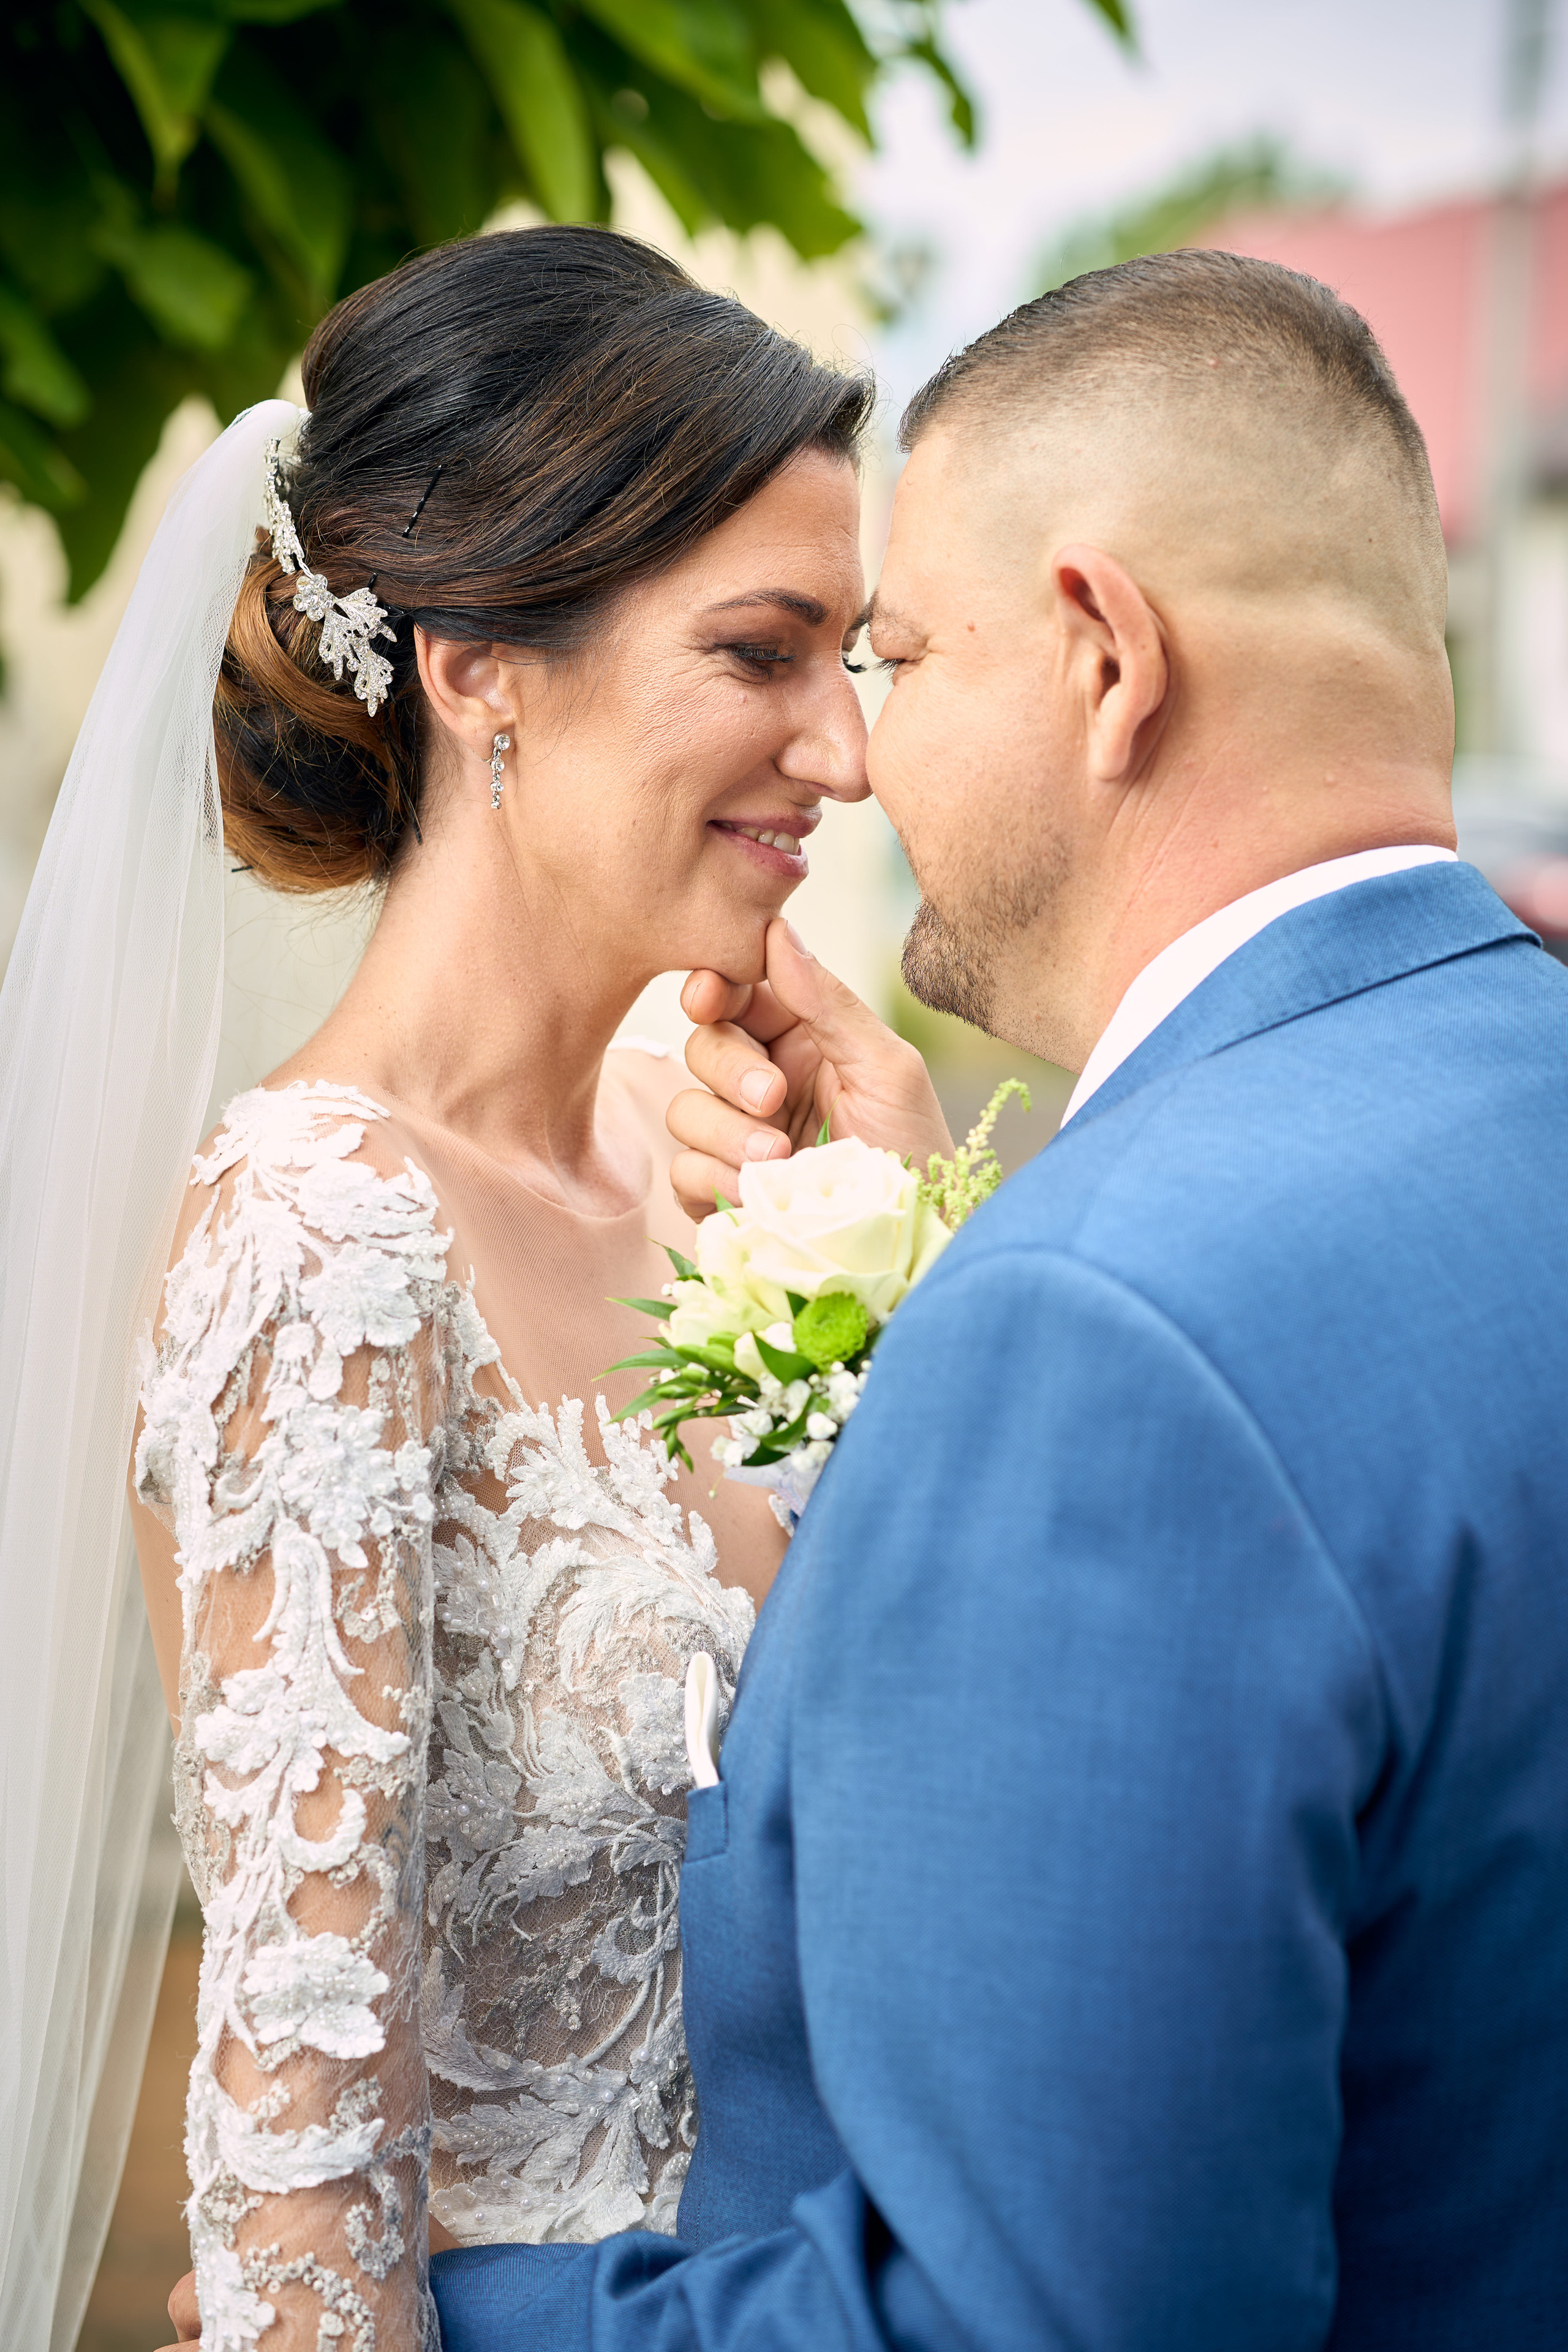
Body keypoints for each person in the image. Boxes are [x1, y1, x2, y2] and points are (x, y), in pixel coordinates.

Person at [429, 252, 1568, 2350]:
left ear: (1107, 660)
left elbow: (1026, 2318)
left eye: (897, 653)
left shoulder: (1099, 1333)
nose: (855, 758)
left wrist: (451, 2320)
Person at [0, 225, 880, 2351]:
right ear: (481, 667)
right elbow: (301, 2134)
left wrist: (892, 1257)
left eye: (852, 659)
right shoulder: (323, 1240)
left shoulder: (728, 1170)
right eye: (763, 654)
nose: (846, 753)